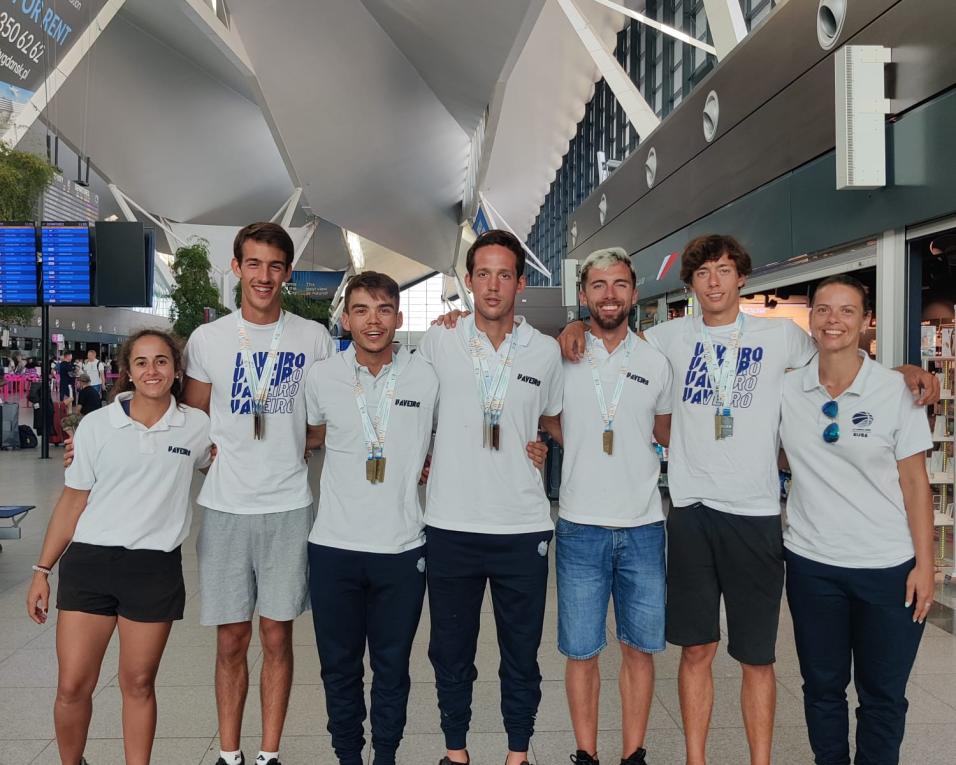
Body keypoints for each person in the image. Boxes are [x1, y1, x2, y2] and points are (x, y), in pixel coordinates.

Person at [557, 235, 939, 765]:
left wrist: (902, 373)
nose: (714, 281)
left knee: (758, 657)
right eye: (703, 273)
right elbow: (611, 332)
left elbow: (839, 355)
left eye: (724, 270)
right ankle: (697, 759)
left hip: (757, 516)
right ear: (689, 284)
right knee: (697, 649)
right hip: (691, 514)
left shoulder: (781, 337)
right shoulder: (665, 338)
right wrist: (573, 326)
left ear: (742, 278)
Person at [182, 221, 335, 765]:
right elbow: (191, 419)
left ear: (287, 273)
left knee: (276, 636)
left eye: (275, 266)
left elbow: (328, 411)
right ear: (237, 268)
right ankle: (229, 752)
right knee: (230, 641)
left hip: (289, 506)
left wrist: (306, 442)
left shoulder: (312, 337)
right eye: (254, 264)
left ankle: (269, 752)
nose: (264, 276)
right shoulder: (209, 340)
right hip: (225, 508)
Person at [26, 329, 212, 765]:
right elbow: (73, 500)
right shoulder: (96, 426)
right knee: (72, 685)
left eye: (162, 361)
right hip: (90, 563)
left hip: (153, 569)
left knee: (139, 683)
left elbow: (218, 458)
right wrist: (41, 571)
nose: (152, 370)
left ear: (176, 369)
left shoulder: (196, 426)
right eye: (142, 362)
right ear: (127, 371)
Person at [418, 229, 562, 765]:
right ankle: (455, 753)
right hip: (451, 524)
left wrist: (541, 444)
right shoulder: (439, 341)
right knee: (450, 652)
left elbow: (549, 418)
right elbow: (413, 409)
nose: (493, 285)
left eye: (505, 274)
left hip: (522, 526)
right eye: (483, 274)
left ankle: (517, 754)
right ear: (469, 281)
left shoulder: (545, 351)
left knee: (520, 654)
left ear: (520, 282)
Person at [779, 275, 934, 765]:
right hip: (812, 565)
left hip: (888, 567)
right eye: (823, 310)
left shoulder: (894, 391)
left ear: (867, 322)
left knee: (883, 695)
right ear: (811, 320)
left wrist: (925, 566)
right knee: (823, 690)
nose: (833, 321)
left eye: (847, 311)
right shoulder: (787, 389)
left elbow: (916, 485)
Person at [303, 271, 437, 765]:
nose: (373, 320)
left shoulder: (426, 374)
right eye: (361, 309)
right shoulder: (323, 377)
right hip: (334, 547)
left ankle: (385, 756)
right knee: (337, 668)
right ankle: (348, 757)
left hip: (402, 549)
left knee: (392, 667)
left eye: (383, 309)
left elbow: (461, 426)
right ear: (346, 318)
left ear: (399, 318)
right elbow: (309, 436)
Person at [554, 248, 672, 765]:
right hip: (580, 524)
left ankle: (633, 754)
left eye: (619, 284)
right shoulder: (562, 355)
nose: (609, 295)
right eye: (598, 285)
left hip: (644, 524)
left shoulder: (654, 361)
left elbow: (663, 432)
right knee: (581, 652)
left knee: (638, 648)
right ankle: (586, 753)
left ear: (634, 292)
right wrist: (570, 440)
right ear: (584, 295)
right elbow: (540, 415)